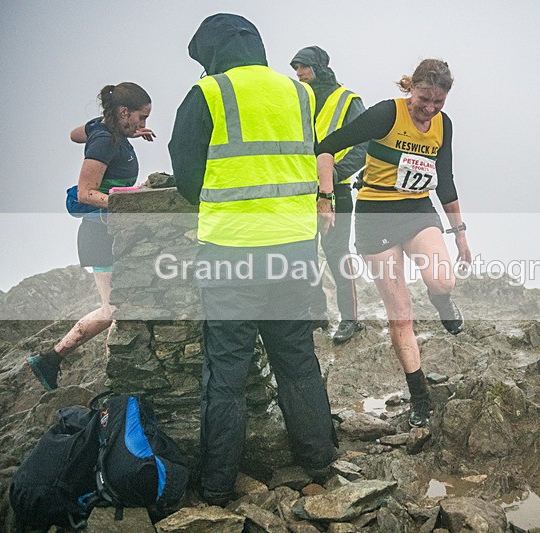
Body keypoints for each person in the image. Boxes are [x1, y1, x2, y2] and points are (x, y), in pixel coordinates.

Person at [168, 14, 338, 505]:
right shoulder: (300, 93)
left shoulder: (209, 94)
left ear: (211, 52)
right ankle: (319, 461)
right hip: (295, 247)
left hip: (231, 253)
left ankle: (218, 485)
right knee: (297, 359)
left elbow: (186, 178)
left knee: (226, 373)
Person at [316, 59, 472, 428]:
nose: (430, 109)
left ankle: (442, 300)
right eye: (424, 99)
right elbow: (326, 148)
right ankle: (420, 397)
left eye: (439, 102)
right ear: (411, 89)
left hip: (418, 210)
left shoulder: (442, 126)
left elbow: (445, 179)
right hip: (375, 217)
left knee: (442, 280)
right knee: (400, 315)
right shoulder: (386, 114)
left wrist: (460, 233)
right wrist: (326, 196)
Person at [27, 82, 153, 391]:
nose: (144, 125)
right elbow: (86, 193)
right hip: (99, 236)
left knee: (118, 308)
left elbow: (74, 134)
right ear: (124, 111)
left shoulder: (104, 129)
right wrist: (129, 203)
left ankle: (52, 360)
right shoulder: (105, 142)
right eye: (141, 117)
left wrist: (126, 130)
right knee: (113, 310)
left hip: (106, 233)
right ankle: (52, 359)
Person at [290, 46, 366, 344]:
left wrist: (334, 174)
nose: (299, 73)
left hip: (339, 189)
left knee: (337, 254)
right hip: (302, 191)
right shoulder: (297, 99)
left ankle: (350, 319)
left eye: (304, 67)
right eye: (296, 68)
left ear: (319, 67)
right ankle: (317, 314)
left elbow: (365, 144)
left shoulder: (348, 100)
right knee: (304, 253)